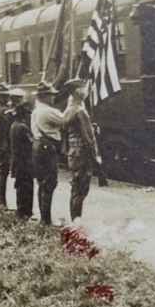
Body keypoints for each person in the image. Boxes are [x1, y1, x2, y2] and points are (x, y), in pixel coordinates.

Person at [31, 80, 77, 226]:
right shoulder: (46, 110)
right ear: (44, 96)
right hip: (47, 148)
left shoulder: (37, 109)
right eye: (50, 95)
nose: (53, 98)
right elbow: (65, 120)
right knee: (49, 182)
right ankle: (46, 219)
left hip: (39, 146)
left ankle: (44, 217)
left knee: (42, 182)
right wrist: (73, 104)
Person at [65, 81, 98, 221]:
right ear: (77, 92)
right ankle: (76, 223)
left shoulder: (69, 109)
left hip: (73, 152)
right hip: (82, 153)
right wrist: (96, 157)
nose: (85, 92)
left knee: (75, 187)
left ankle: (74, 220)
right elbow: (89, 139)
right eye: (83, 90)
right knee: (81, 189)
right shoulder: (80, 111)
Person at [10, 101, 35, 219]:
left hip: (17, 160)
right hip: (25, 161)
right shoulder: (23, 127)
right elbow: (31, 143)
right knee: (27, 186)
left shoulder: (13, 126)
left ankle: (21, 210)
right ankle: (25, 211)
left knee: (20, 186)